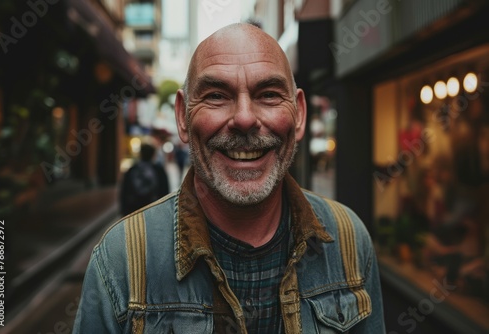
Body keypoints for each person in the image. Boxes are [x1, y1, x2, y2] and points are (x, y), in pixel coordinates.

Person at [73, 23, 385, 333]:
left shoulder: (349, 240)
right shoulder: (121, 259)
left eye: (269, 95)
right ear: (183, 116)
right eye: (217, 96)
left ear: (299, 114)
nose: (245, 119)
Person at [119, 139, 169, 216]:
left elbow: (124, 191)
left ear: (140, 154)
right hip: (153, 208)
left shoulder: (132, 170)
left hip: (134, 209)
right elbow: (165, 190)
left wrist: (123, 210)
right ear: (153, 155)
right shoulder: (159, 170)